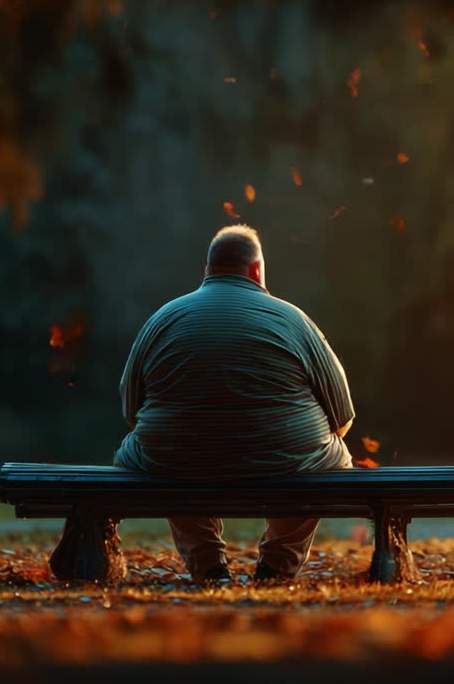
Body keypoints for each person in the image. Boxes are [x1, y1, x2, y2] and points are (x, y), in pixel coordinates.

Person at [114, 224, 356, 582]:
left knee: (162, 452)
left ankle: (208, 564)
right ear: (256, 269)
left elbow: (130, 411)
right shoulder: (294, 320)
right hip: (282, 462)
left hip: (180, 460)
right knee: (331, 457)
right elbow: (342, 415)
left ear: (208, 270)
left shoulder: (163, 319)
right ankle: (277, 564)